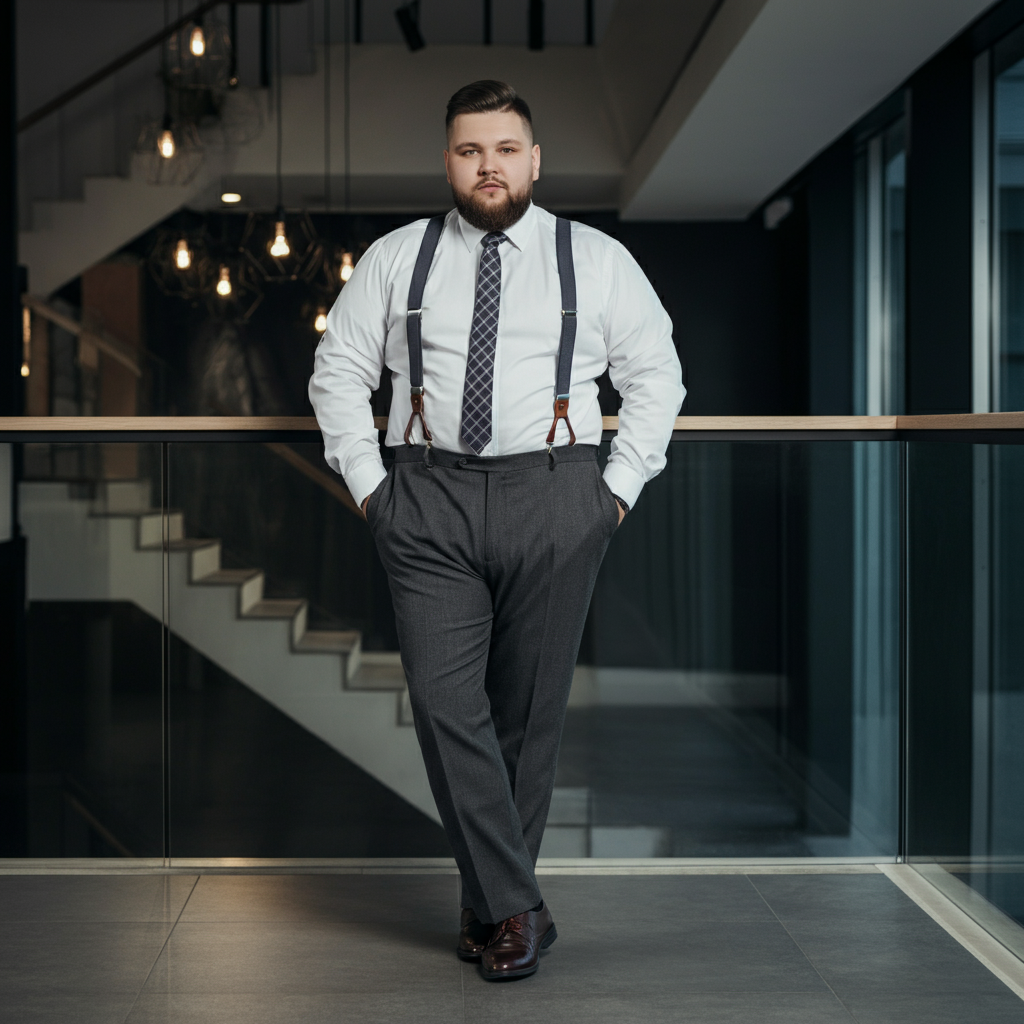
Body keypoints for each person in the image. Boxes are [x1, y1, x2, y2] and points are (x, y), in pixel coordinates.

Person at [309, 80, 683, 980]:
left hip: (557, 494)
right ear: (449, 160)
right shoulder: (397, 260)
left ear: (534, 159)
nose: (489, 166)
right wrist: (374, 493)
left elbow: (656, 380)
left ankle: (490, 914)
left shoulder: (594, 260)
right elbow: (338, 375)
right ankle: (520, 908)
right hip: (425, 499)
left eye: (506, 149)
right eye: (471, 150)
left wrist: (613, 495)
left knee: (527, 718)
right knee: (446, 707)